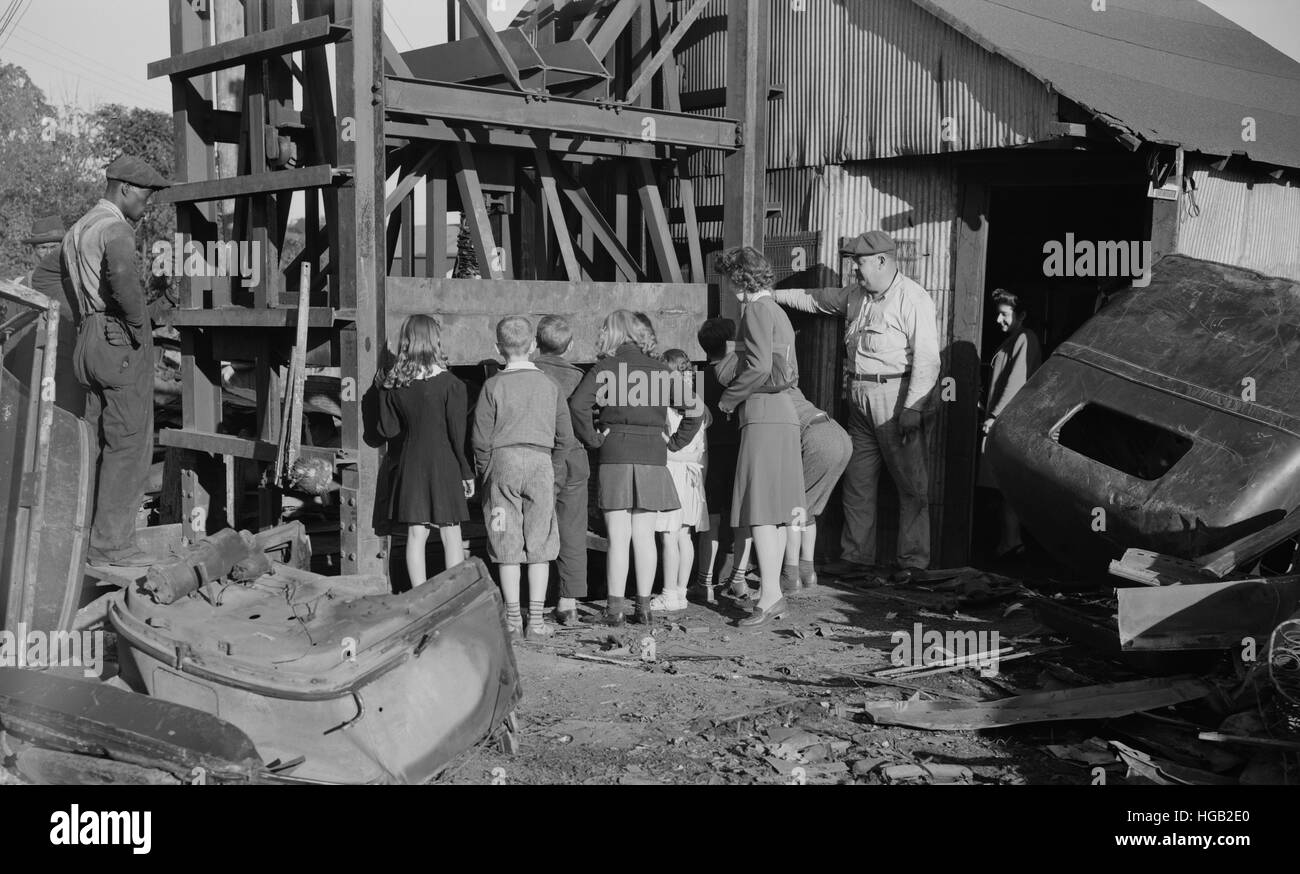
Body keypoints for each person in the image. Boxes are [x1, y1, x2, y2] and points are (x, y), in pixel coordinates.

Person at [773, 231, 940, 583]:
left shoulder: (913, 299)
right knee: (858, 480)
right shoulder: (857, 296)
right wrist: (770, 296)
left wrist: (913, 407)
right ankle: (857, 558)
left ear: (882, 260)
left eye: (860, 263)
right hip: (861, 396)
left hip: (896, 396)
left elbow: (928, 359)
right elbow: (815, 299)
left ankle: (913, 563)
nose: (855, 271)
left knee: (910, 485)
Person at [61, 155, 171, 567]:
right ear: (123, 188)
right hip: (116, 341)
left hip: (87, 339)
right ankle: (111, 546)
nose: (147, 203)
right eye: (144, 195)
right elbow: (124, 286)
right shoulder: (116, 230)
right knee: (129, 444)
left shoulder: (79, 228)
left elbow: (79, 295)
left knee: (95, 443)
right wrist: (142, 328)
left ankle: (82, 536)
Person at [570, 310, 701, 626]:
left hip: (614, 454)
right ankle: (643, 608)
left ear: (613, 334)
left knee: (618, 538)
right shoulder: (661, 371)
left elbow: (577, 405)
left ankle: (614, 610)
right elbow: (695, 412)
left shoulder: (605, 368)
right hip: (653, 457)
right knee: (644, 537)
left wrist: (594, 439)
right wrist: (674, 443)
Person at [715, 246, 805, 628]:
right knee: (780, 512)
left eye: (732, 281)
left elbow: (759, 366)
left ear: (742, 278)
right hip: (785, 413)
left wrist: (727, 399)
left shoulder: (754, 311)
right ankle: (774, 593)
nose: (732, 290)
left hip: (764, 415)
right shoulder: (779, 312)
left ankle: (769, 597)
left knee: (761, 512)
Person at [472, 315, 573, 640]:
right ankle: (537, 620)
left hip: (504, 462)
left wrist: (488, 470)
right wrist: (553, 471)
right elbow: (565, 437)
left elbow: (480, 438)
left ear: (498, 348)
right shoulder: (550, 385)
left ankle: (513, 618)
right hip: (541, 462)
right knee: (540, 542)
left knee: (506, 542)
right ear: (532, 346)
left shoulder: (493, 386)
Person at [376, 315, 474, 588]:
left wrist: (382, 391)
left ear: (406, 341)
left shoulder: (395, 385)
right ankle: (454, 591)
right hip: (444, 463)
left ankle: (419, 595)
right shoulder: (452, 384)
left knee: (415, 534)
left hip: (411, 463)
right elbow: (458, 435)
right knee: (451, 533)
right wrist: (466, 472)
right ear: (435, 340)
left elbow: (388, 430)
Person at [533, 315, 589, 626]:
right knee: (572, 529)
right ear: (570, 346)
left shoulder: (530, 374)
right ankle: (569, 603)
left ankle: (533, 598)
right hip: (574, 457)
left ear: (536, 343)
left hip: (541, 456)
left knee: (535, 527)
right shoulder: (579, 377)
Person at [693, 317, 751, 602]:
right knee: (743, 519)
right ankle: (738, 580)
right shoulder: (743, 376)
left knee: (710, 520)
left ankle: (704, 583)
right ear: (731, 343)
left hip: (711, 452)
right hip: (742, 450)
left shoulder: (699, 379)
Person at [980, 288, 1041, 558]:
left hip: (1008, 425)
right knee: (1002, 489)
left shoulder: (1025, 338)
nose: (999, 320)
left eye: (1005, 314)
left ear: (1022, 315)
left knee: (1007, 488)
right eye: (999, 314)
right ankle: (1009, 542)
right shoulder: (1012, 340)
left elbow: (1017, 381)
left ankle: (1013, 542)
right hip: (1001, 422)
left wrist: (994, 417)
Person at [3, 215, 84, 414]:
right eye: (42, 247)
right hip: (29, 370)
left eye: (53, 246)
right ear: (33, 252)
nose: (48, 252)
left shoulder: (77, 285)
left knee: (67, 421)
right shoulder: (20, 288)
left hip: (67, 371)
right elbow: (10, 340)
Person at [652, 349, 710, 614]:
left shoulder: (667, 405)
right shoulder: (700, 404)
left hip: (673, 472)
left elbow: (668, 445)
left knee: (668, 536)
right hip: (694, 476)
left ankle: (668, 593)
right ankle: (681, 592)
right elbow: (703, 451)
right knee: (685, 536)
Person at [782, 387, 852, 595]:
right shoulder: (792, 388)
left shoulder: (769, 393)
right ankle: (808, 572)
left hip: (816, 438)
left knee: (792, 508)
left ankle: (790, 575)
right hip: (838, 433)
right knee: (807, 508)